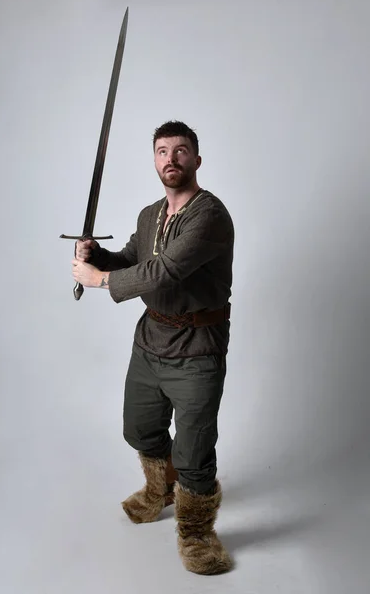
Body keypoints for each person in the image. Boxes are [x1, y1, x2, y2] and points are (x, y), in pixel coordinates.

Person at [72, 120, 234, 575]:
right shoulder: (149, 215)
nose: (170, 159)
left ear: (196, 160)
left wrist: (99, 280)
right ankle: (160, 489)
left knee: (195, 449)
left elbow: (164, 271)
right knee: (140, 429)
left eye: (180, 151)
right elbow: (133, 259)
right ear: (155, 161)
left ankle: (197, 532)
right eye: (162, 151)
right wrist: (97, 256)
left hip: (198, 347)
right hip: (151, 340)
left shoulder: (209, 216)